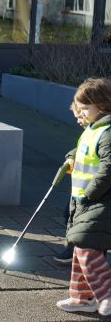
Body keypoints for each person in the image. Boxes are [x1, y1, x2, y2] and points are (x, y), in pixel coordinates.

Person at [56, 78, 111, 316]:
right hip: (83, 200)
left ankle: (106, 294)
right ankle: (81, 298)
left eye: (85, 108)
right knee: (80, 250)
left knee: (88, 250)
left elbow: (109, 166)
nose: (80, 113)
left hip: (99, 200)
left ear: (103, 105)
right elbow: (83, 150)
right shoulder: (92, 129)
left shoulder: (107, 131)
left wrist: (89, 194)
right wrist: (71, 156)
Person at [54, 101, 88, 264]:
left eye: (81, 115)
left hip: (93, 191)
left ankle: (78, 251)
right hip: (81, 189)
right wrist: (71, 156)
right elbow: (81, 147)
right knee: (69, 214)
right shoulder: (90, 130)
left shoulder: (103, 132)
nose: (78, 120)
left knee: (89, 225)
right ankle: (73, 249)